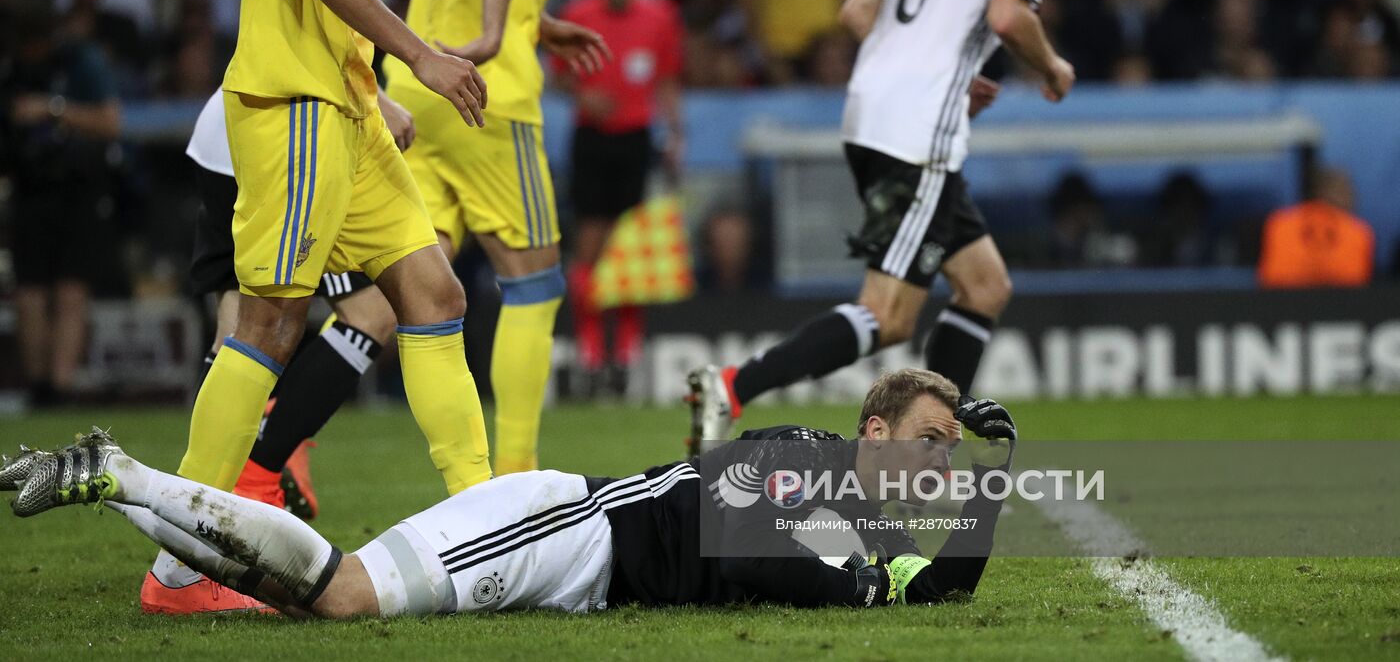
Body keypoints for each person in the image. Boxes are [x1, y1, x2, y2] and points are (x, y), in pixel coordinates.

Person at [164, 0, 492, 613]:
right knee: (270, 324)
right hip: (298, 104)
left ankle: (484, 524)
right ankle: (181, 570)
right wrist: (419, 56)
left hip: (341, 101)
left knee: (434, 293)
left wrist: (368, 83)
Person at [688, 0, 1078, 450]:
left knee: (984, 284)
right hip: (914, 130)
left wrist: (937, 66)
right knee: (888, 312)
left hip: (881, 111)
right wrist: (1051, 67)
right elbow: (1010, 16)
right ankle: (734, 385)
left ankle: (936, 437)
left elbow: (857, 13)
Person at [3, 370, 1017, 618]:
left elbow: (939, 594)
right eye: (927, 443)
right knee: (346, 593)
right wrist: (849, 588)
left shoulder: (853, 507)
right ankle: (124, 477)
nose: (934, 462)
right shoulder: (806, 458)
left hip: (572, 544)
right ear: (872, 432)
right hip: (565, 534)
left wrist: (988, 484)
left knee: (316, 599)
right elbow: (745, 546)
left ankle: (116, 483)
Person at [381, 0, 687, 473]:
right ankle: (516, 475)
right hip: (484, 92)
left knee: (405, 288)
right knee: (536, 282)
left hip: (417, 74)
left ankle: (282, 444)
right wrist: (496, 34)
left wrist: (535, 21)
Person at [555, 0, 685, 395]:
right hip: (591, 139)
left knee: (632, 251)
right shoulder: (576, 14)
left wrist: (675, 133)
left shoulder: (661, 15)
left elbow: (668, 79)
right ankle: (591, 352)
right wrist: (583, 96)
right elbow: (560, 75)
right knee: (590, 245)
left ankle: (626, 356)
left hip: (636, 140)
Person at [0, 0, 122, 409]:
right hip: (30, 188)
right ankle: (39, 388)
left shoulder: (79, 62)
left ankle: (60, 388)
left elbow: (110, 122)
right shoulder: (10, 68)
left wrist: (52, 111)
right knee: (30, 291)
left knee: (71, 290)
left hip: (78, 187)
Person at [1257, 167, 1374, 288]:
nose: (1353, 197)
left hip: (1281, 301)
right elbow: (1357, 279)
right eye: (1345, 190)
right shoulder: (1358, 230)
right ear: (1324, 191)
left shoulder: (1279, 223)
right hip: (1343, 302)